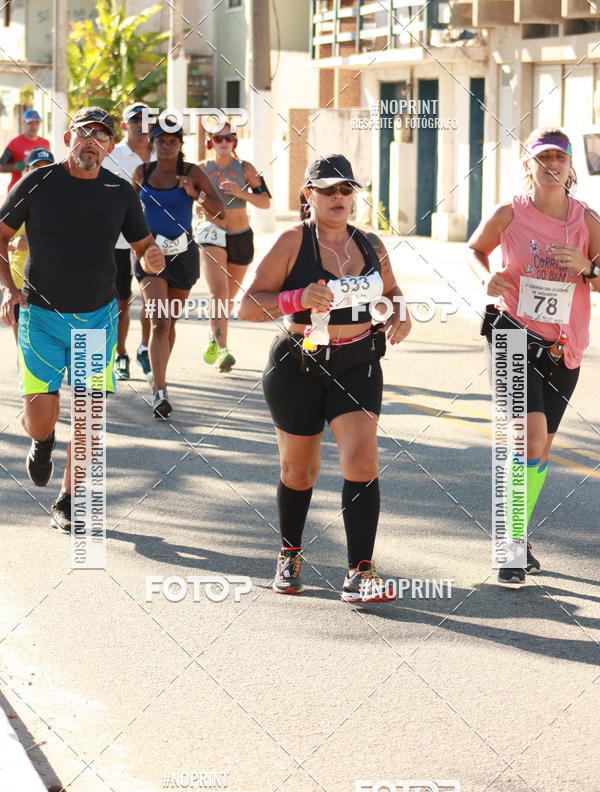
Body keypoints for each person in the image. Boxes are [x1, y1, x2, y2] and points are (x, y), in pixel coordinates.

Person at [239, 154, 411, 601]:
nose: (338, 197)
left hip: (357, 363)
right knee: (300, 470)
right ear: (308, 194)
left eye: (345, 189)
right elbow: (247, 306)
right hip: (298, 364)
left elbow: (392, 291)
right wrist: (296, 297)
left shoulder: (370, 243)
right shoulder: (292, 241)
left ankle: (361, 572)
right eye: (328, 189)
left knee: (362, 458)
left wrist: (400, 312)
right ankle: (290, 553)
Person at [0, 107, 165, 533]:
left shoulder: (119, 192)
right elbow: (0, 236)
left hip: (96, 317)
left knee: (89, 413)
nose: (92, 141)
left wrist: (152, 257)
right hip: (40, 316)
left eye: (102, 135)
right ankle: (42, 441)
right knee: (39, 416)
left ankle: (69, 499)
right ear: (68, 137)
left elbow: (143, 245)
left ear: (110, 146)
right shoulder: (36, 182)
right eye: (84, 132)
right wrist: (9, 288)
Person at [468, 127, 600, 588]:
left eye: (559, 158)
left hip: (564, 346)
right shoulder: (510, 212)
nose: (551, 165)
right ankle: (508, 545)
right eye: (542, 158)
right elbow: (475, 249)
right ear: (528, 165)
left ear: (570, 165)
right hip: (513, 335)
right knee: (528, 440)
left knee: (539, 450)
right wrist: (486, 277)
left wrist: (588, 268)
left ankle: (517, 534)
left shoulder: (587, 220)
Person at [132, 117, 224, 418]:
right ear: (153, 143)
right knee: (159, 321)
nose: (167, 146)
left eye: (173, 141)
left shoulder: (191, 172)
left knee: (170, 322)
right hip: (150, 254)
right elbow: (126, 210)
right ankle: (160, 391)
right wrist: (136, 245)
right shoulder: (142, 172)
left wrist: (195, 194)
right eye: (161, 140)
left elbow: (220, 211)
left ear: (181, 144)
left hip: (183, 254)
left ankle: (158, 374)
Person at [196, 122, 271, 373]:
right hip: (212, 234)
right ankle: (224, 350)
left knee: (228, 297)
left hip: (241, 237)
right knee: (218, 294)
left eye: (229, 137)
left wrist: (242, 193)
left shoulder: (246, 168)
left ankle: (214, 335)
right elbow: (190, 198)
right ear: (210, 142)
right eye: (219, 138)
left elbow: (265, 202)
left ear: (234, 141)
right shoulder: (201, 170)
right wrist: (197, 208)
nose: (224, 142)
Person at [102, 102, 155, 380]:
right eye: (136, 119)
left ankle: (145, 349)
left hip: (153, 241)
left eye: (147, 119)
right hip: (119, 242)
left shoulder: (163, 152)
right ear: (124, 125)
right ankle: (120, 355)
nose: (141, 124)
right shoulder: (113, 155)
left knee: (151, 301)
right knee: (121, 303)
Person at [7, 147, 55, 342]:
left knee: (46, 339)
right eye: (36, 167)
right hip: (19, 282)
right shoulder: (15, 201)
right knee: (22, 342)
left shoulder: (61, 202)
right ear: (26, 171)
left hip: (51, 283)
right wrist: (15, 243)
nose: (41, 172)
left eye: (47, 168)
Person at [0, 110, 51, 192]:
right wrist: (21, 166)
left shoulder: (45, 143)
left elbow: (48, 166)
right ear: (23, 123)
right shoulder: (14, 143)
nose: (34, 126)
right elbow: (1, 166)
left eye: (37, 123)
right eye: (30, 123)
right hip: (17, 190)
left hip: (38, 189)